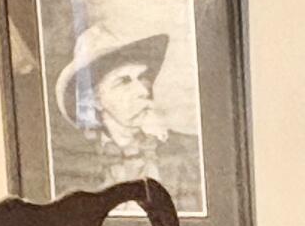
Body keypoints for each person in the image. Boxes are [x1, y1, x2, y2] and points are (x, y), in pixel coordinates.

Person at [46, 21, 205, 210]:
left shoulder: (190, 153)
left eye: (142, 78)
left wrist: (165, 145)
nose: (143, 91)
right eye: (123, 81)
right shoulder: (74, 167)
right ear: (94, 99)